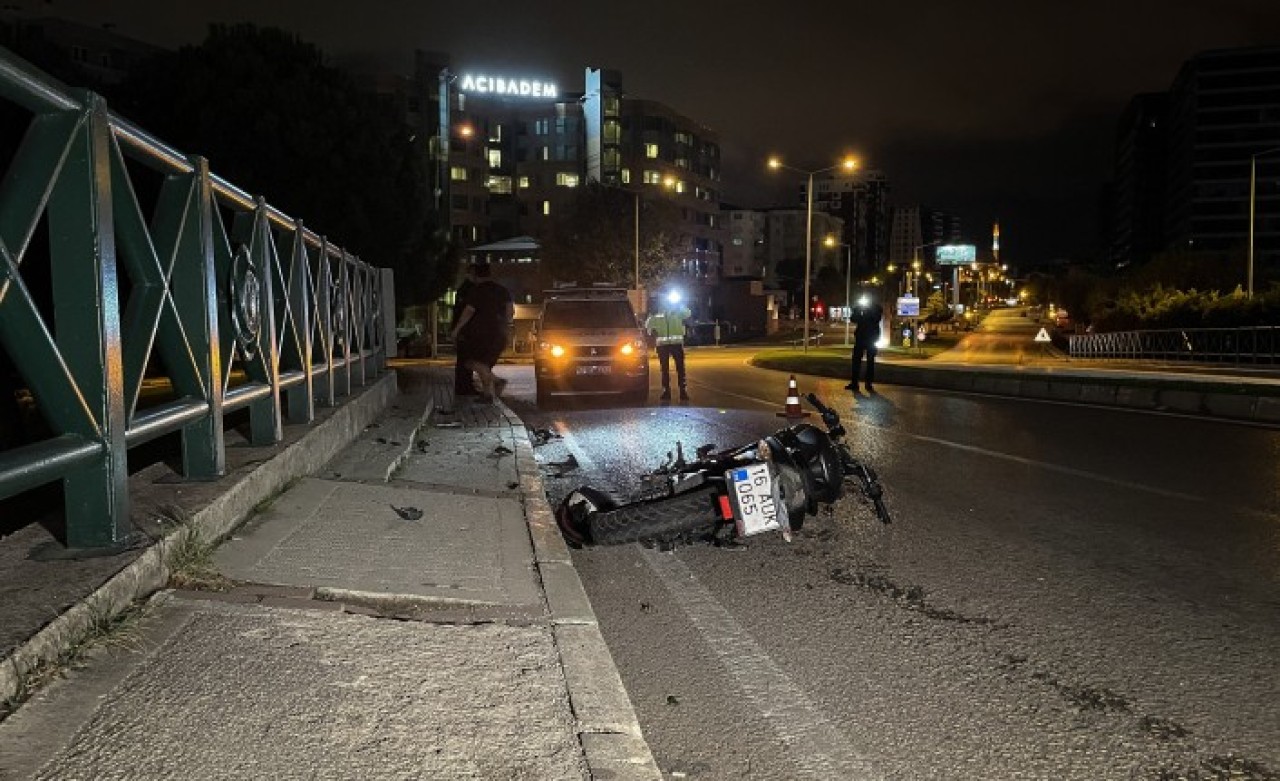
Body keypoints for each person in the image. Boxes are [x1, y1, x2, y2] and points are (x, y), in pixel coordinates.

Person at [448, 263, 513, 402]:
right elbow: (510, 312)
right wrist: (507, 329)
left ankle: (495, 384)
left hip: (480, 334)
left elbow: (468, 311)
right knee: (484, 364)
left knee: (472, 362)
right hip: (498, 334)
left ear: (475, 275)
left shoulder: (476, 291)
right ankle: (488, 393)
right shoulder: (502, 290)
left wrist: (456, 330)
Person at [645, 291, 692, 401]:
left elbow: (688, 313)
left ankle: (683, 390)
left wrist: (680, 303)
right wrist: (652, 329)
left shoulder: (677, 310)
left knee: (680, 368)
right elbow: (648, 326)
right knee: (664, 369)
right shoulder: (656, 312)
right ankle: (666, 390)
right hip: (662, 345)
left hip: (676, 344)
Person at [451, 264, 478, 396]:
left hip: (462, 330)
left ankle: (463, 386)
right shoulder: (470, 289)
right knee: (465, 360)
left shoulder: (463, 289)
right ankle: (465, 387)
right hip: (466, 331)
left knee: (463, 359)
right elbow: (467, 311)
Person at [847, 296, 882, 393]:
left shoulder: (876, 309)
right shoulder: (861, 309)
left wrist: (865, 312)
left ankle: (868, 383)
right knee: (856, 361)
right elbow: (853, 319)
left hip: (870, 338)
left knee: (870, 362)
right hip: (861, 338)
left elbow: (876, 319)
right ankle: (855, 383)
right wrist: (857, 310)